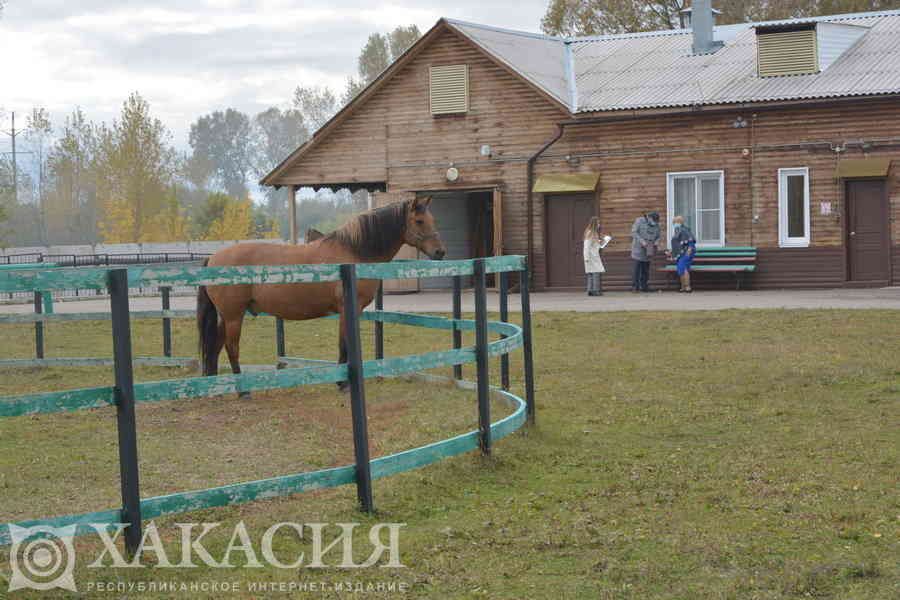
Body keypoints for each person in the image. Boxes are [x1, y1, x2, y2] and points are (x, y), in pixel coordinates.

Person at [630, 212, 660, 292]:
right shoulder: (639, 221)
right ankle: (635, 287)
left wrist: (656, 242)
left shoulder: (656, 225)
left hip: (649, 249)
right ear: (649, 218)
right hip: (638, 249)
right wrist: (642, 241)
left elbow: (658, 236)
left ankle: (644, 286)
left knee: (645, 270)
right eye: (654, 221)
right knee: (636, 269)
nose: (655, 223)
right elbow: (634, 232)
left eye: (656, 222)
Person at [583, 217, 611, 296]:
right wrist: (586, 258)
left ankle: (590, 290)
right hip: (591, 257)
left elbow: (595, 244)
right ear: (594, 224)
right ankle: (595, 290)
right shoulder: (590, 233)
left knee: (591, 273)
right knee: (595, 273)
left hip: (593, 256)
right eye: (598, 223)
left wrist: (603, 241)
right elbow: (587, 246)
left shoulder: (593, 232)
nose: (599, 225)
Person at [667, 215, 696, 293]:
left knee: (683, 268)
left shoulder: (685, 230)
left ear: (680, 222)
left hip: (686, 252)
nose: (674, 224)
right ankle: (683, 287)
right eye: (674, 222)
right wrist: (672, 251)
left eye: (675, 222)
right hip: (680, 253)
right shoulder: (678, 230)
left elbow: (691, 240)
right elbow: (677, 243)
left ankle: (687, 287)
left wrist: (689, 250)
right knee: (680, 269)